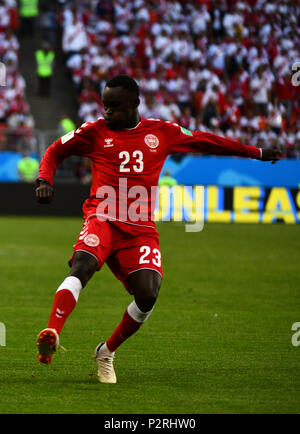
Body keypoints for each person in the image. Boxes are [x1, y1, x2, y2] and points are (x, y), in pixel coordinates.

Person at [35, 75, 281, 384]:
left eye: (115, 106)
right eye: (105, 106)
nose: (107, 112)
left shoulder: (163, 132)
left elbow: (207, 141)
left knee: (148, 294)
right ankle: (52, 333)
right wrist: (44, 178)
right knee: (83, 265)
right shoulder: (94, 132)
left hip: (139, 229)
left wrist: (255, 152)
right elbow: (55, 150)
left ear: (135, 103)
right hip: (103, 216)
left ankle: (106, 352)